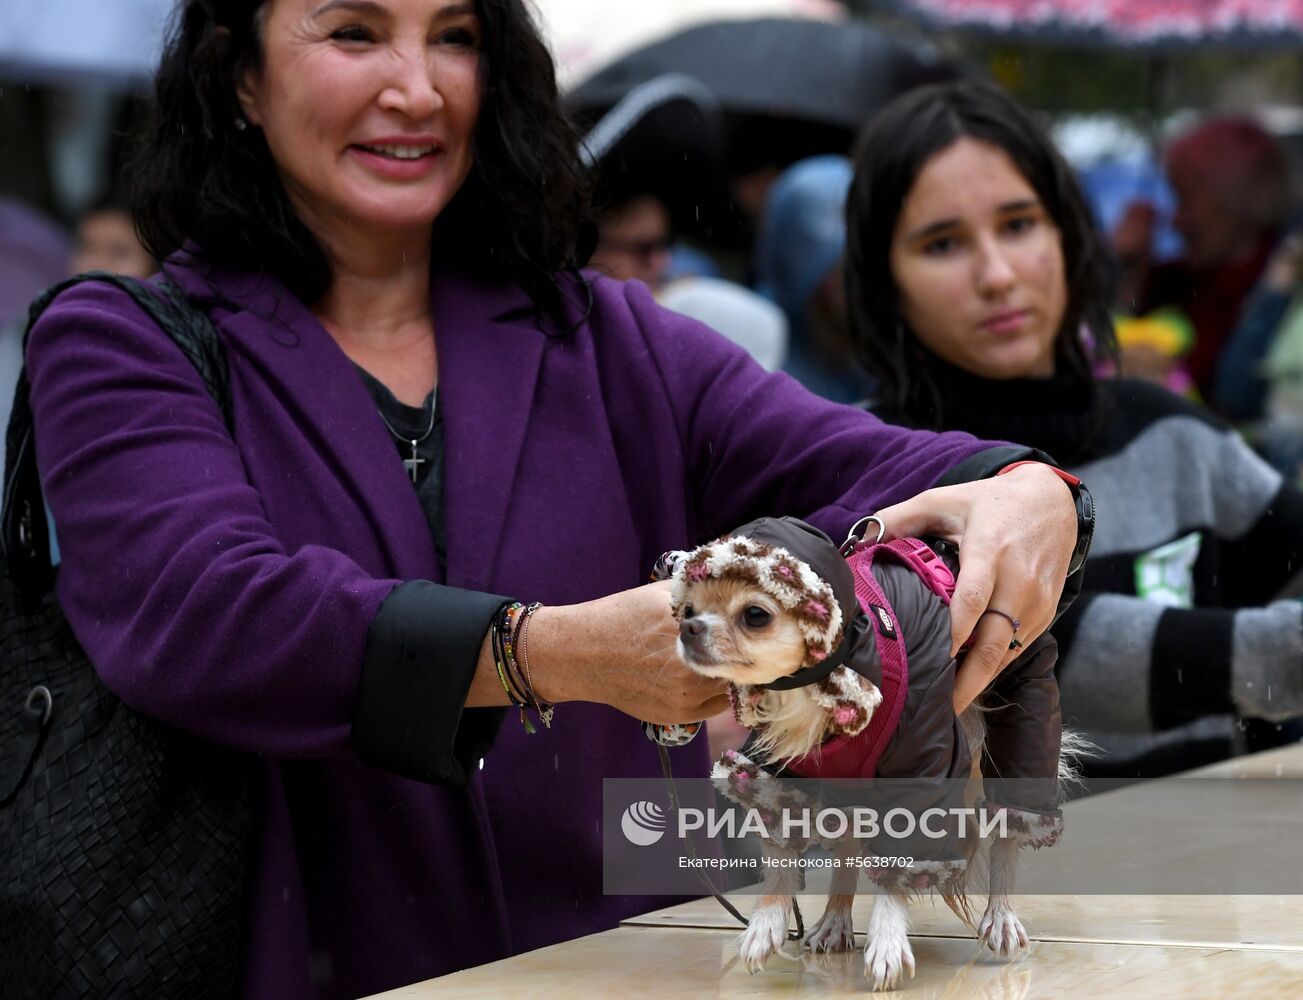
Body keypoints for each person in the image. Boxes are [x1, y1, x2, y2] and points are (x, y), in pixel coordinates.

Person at [23, 5, 1079, 998]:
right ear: (239, 74)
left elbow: (867, 465)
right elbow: (208, 611)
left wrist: (1025, 487)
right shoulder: (123, 341)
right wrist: (548, 654)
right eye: (354, 31)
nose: (416, 88)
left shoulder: (604, 337)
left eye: (455, 35)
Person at [845, 79, 1303, 781]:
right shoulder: (878, 479)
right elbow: (1058, 657)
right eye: (941, 244)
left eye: (1019, 224)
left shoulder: (1172, 434)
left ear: (1066, 233)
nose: (996, 275)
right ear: (885, 281)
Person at [1115, 116, 1291, 404]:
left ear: (1234, 199)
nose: (1175, 220)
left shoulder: (1283, 284)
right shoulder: (1173, 280)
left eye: (1185, 200)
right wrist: (1130, 271)